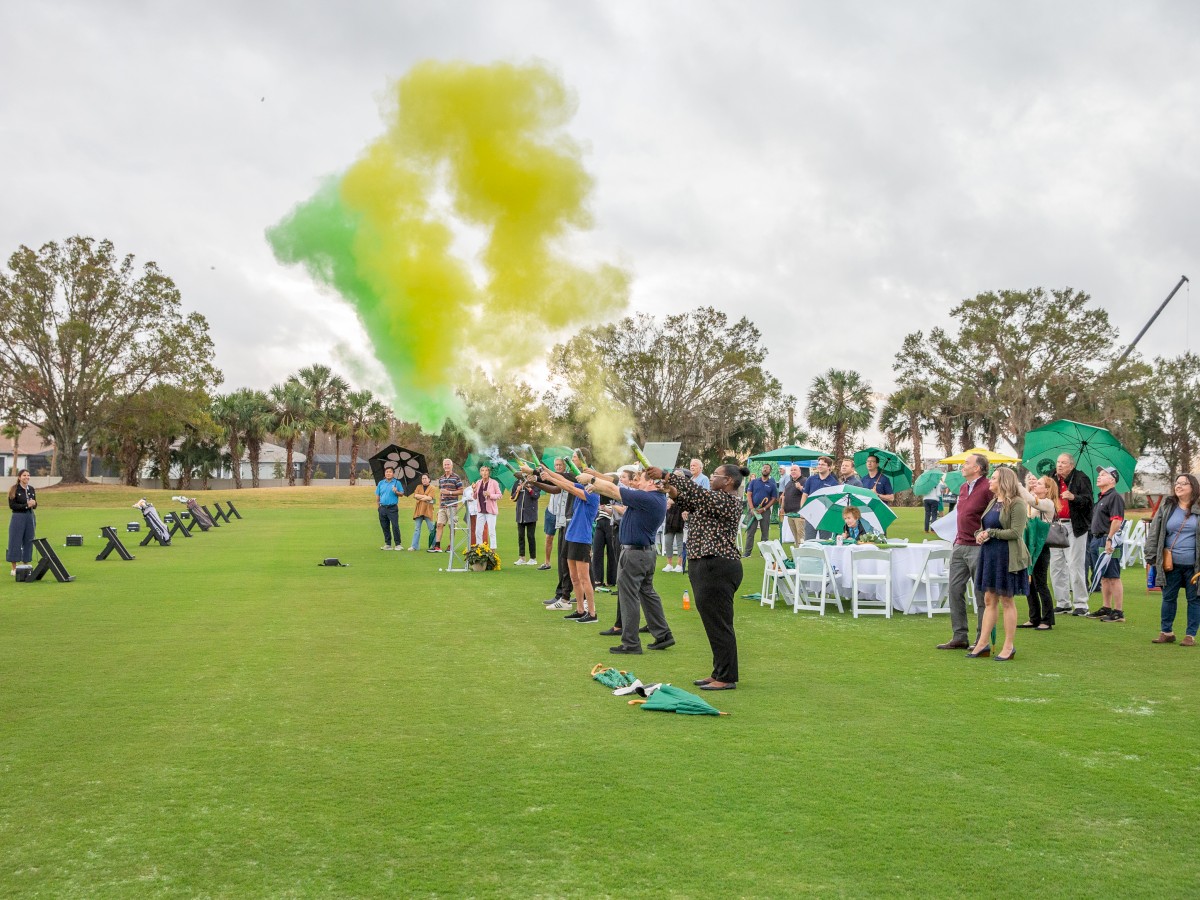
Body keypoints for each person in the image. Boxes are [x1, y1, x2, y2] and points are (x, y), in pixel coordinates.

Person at [667, 464, 746, 690]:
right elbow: (688, 500)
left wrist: (667, 475)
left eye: (715, 475)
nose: (711, 478)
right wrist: (672, 490)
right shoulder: (712, 500)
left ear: (728, 481)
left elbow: (697, 494)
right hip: (704, 564)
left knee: (720, 623)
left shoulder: (727, 500)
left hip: (718, 566)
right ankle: (719, 671)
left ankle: (727, 676)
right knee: (713, 623)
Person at [583, 466, 674, 654]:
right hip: (644, 554)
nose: (636, 482)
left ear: (651, 482)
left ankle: (631, 643)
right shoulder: (654, 498)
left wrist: (591, 480)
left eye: (640, 479)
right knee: (647, 593)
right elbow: (615, 490)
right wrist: (598, 486)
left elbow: (614, 489)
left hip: (635, 554)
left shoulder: (647, 497)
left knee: (629, 597)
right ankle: (663, 634)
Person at [967, 466, 1029, 662]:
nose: (990, 481)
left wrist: (990, 533)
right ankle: (982, 643)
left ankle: (1008, 646)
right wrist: (979, 535)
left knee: (1007, 600)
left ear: (1003, 481)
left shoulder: (1017, 503)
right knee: (988, 600)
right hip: (990, 554)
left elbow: (1016, 533)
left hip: (1007, 557)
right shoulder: (993, 502)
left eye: (993, 478)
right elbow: (984, 526)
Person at [938, 452, 993, 650]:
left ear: (977, 468)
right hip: (960, 544)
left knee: (981, 595)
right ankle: (959, 636)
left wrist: (987, 534)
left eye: (967, 463)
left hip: (979, 547)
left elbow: (996, 514)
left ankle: (982, 639)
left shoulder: (988, 487)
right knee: (954, 590)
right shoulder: (963, 488)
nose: (963, 465)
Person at [535, 463, 601, 624]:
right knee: (574, 577)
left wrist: (550, 478)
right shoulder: (582, 487)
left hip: (582, 539)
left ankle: (592, 613)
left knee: (584, 578)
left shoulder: (593, 494)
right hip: (571, 536)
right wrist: (547, 472)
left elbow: (569, 488)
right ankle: (579, 610)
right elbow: (565, 481)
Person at [1145, 473, 1200, 646]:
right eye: (1177, 483)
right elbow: (1155, 531)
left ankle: (1190, 635)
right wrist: (1151, 555)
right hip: (1170, 563)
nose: (1179, 486)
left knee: (1194, 599)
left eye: (1184, 483)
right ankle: (1166, 632)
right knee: (1168, 597)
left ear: (1193, 487)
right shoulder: (1167, 506)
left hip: (1194, 565)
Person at [1050, 452, 1094, 616]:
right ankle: (1063, 602)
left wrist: (1074, 497)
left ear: (1072, 465)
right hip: (1055, 525)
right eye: (1058, 461)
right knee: (1056, 566)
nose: (1059, 465)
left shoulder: (1081, 478)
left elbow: (1089, 502)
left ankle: (1081, 603)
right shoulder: (1052, 477)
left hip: (1075, 526)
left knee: (1075, 564)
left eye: (1063, 462)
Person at [1085, 466, 1126, 622]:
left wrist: (1109, 539)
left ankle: (1118, 611)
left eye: (1103, 475)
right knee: (1103, 576)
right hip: (1097, 540)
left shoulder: (1114, 497)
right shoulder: (1102, 497)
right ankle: (1106, 607)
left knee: (1113, 576)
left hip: (1108, 540)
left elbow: (1116, 520)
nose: (1099, 477)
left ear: (1112, 479)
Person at [1020, 476, 1058, 630]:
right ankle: (1034, 617)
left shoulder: (1048, 503)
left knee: (1040, 583)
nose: (1037, 485)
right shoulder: (1036, 500)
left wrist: (1019, 485)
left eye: (1040, 484)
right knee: (1029, 582)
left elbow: (1030, 501)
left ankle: (1047, 619)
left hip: (1041, 547)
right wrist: (1027, 487)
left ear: (1048, 489)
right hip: (1030, 545)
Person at [743, 463, 778, 558]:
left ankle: (764, 553)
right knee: (751, 532)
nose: (765, 469)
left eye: (767, 468)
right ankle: (747, 553)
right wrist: (752, 508)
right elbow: (749, 494)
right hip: (753, 509)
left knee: (765, 532)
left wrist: (764, 508)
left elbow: (774, 498)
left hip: (765, 511)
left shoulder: (772, 484)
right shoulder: (754, 482)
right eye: (763, 468)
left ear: (770, 471)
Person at [800, 456, 839, 540]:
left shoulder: (833, 482)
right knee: (809, 542)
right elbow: (805, 495)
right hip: (811, 515)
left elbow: (835, 501)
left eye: (823, 464)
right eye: (819, 464)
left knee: (825, 543)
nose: (820, 466)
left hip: (826, 517)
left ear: (829, 467)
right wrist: (803, 510)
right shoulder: (811, 479)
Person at [430, 458, 463, 552]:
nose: (446, 466)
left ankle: (451, 546)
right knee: (439, 525)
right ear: (443, 466)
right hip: (442, 506)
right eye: (445, 465)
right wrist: (439, 507)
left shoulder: (456, 477)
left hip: (452, 506)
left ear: (451, 466)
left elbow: (461, 491)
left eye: (448, 464)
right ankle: (437, 546)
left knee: (451, 526)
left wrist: (449, 492)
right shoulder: (441, 478)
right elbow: (440, 494)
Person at [7, 469, 36, 574]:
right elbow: (12, 505)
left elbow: (34, 505)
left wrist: (34, 503)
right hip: (18, 517)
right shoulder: (14, 489)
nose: (27, 477)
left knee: (29, 540)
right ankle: (14, 568)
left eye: (28, 475)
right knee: (15, 540)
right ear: (19, 477)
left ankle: (25, 564)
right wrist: (26, 505)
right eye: (24, 475)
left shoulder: (31, 489)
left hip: (30, 517)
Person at [510, 474, 541, 565]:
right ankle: (522, 558)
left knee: (530, 536)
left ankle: (533, 558)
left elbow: (536, 496)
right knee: (521, 536)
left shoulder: (534, 483)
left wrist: (530, 490)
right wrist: (517, 490)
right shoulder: (517, 483)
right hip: (520, 515)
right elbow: (513, 498)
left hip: (531, 514)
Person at [472, 465, 501, 550]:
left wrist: (490, 495)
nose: (484, 472)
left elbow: (499, 495)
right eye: (482, 471)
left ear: (489, 473)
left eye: (486, 471)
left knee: (491, 531)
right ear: (480, 473)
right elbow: (474, 497)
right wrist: (474, 490)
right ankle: (479, 549)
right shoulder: (478, 482)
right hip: (481, 510)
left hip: (490, 511)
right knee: (478, 531)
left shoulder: (494, 483)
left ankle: (493, 551)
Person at [374, 465, 403, 550]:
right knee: (385, 526)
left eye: (390, 472)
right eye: (387, 472)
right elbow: (378, 495)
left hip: (392, 508)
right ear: (385, 473)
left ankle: (398, 544)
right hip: (382, 508)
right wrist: (378, 507)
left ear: (393, 474)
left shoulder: (397, 483)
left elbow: (401, 494)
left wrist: (396, 491)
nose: (388, 473)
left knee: (395, 526)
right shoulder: (381, 483)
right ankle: (388, 544)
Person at [780, 464, 806, 543]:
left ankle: (804, 553)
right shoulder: (789, 483)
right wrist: (782, 508)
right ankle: (798, 554)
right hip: (790, 514)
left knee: (801, 537)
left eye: (795, 470)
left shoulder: (805, 481)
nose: (793, 472)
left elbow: (808, 494)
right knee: (796, 537)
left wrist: (801, 488)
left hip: (799, 514)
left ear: (799, 471)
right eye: (791, 470)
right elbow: (785, 496)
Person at [409, 473, 436, 551]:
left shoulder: (432, 488)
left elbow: (430, 498)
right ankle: (414, 546)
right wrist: (425, 497)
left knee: (431, 529)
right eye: (423, 478)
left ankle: (434, 545)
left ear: (429, 479)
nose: (424, 480)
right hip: (419, 510)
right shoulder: (418, 487)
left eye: (425, 478)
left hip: (428, 510)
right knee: (417, 528)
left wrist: (421, 497)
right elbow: (415, 495)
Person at [662, 491, 685, 573]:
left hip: (680, 519)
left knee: (680, 543)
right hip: (670, 519)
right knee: (668, 542)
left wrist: (674, 501)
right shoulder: (669, 491)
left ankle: (680, 564)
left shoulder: (683, 491)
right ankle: (669, 564)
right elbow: (667, 502)